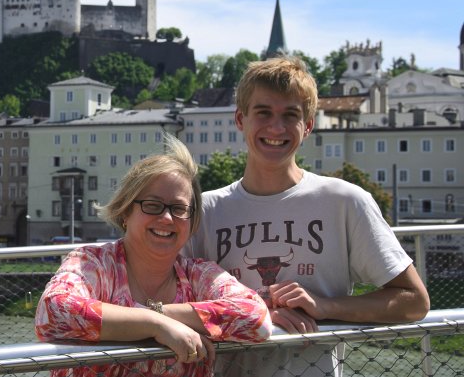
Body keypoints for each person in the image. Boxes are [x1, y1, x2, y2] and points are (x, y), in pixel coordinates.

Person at [189, 56, 430, 377]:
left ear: (309, 126)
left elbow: (414, 301)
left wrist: (325, 306)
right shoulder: (206, 210)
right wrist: (255, 315)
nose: (276, 127)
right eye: (263, 113)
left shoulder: (345, 201)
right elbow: (164, 300)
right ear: (240, 119)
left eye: (290, 115)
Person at [35, 134, 272, 377]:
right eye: (152, 205)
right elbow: (52, 311)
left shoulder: (199, 275)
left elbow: (257, 319)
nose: (167, 218)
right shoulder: (93, 263)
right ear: (126, 211)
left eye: (179, 209)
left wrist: (160, 313)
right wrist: (155, 325)